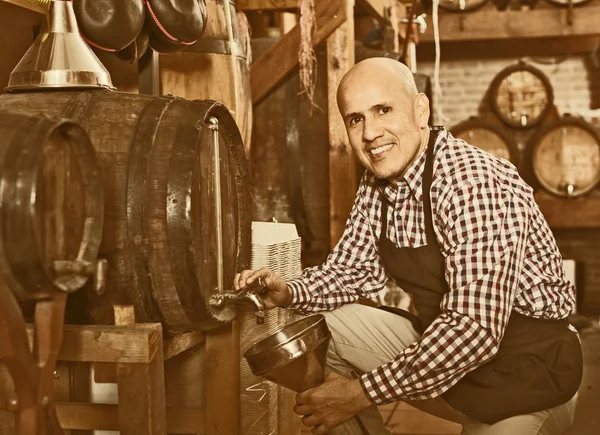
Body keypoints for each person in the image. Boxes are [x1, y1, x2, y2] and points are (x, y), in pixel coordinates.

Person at [234, 57, 582, 435]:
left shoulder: (472, 182)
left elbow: (473, 329)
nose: (370, 133)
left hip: (529, 377)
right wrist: (289, 291)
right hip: (457, 370)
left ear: (421, 110)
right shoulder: (378, 184)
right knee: (316, 326)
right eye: (356, 119)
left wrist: (360, 393)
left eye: (383, 110)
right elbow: (353, 271)